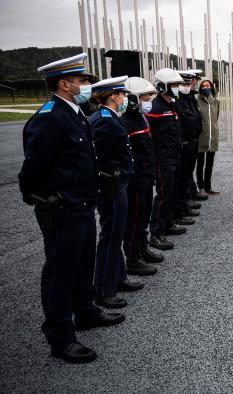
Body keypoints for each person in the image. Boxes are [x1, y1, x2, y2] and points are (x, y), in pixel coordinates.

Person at [18, 53, 124, 364]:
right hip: (63, 209)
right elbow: (33, 167)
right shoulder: (50, 117)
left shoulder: (74, 112)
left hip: (82, 204)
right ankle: (60, 335)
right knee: (60, 271)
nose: (88, 86)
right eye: (82, 82)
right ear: (65, 84)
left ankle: (85, 310)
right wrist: (37, 198)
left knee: (82, 262)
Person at [89, 76, 143, 309]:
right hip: (111, 186)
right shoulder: (103, 120)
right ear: (113, 96)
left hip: (118, 183)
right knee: (110, 237)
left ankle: (118, 277)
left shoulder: (110, 117)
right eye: (121, 95)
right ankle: (103, 290)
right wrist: (113, 176)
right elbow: (98, 157)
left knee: (117, 232)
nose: (124, 99)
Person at [122, 77, 163, 275]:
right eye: (145, 97)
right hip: (136, 181)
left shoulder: (140, 118)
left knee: (144, 216)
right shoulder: (126, 123)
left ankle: (142, 247)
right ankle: (132, 258)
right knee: (135, 219)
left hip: (146, 177)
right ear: (133, 99)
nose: (149, 101)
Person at [147, 68, 186, 251]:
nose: (177, 88)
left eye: (177, 85)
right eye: (173, 85)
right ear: (162, 86)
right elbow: (150, 136)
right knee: (163, 195)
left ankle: (168, 223)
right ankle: (156, 232)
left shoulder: (171, 105)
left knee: (171, 192)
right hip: (162, 159)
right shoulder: (155, 107)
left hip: (174, 155)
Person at [172, 69, 205, 227]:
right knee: (180, 179)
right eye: (184, 83)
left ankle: (184, 204)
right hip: (184, 144)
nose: (189, 85)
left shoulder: (189, 98)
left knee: (185, 177)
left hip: (192, 142)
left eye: (189, 82)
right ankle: (179, 209)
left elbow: (195, 118)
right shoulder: (178, 100)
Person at [196, 77, 221, 194]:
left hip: (213, 136)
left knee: (210, 163)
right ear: (200, 87)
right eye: (203, 86)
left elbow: (216, 117)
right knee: (200, 163)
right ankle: (200, 187)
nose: (206, 88)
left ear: (211, 87)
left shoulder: (216, 101)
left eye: (208, 86)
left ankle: (208, 186)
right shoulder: (196, 100)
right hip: (201, 136)